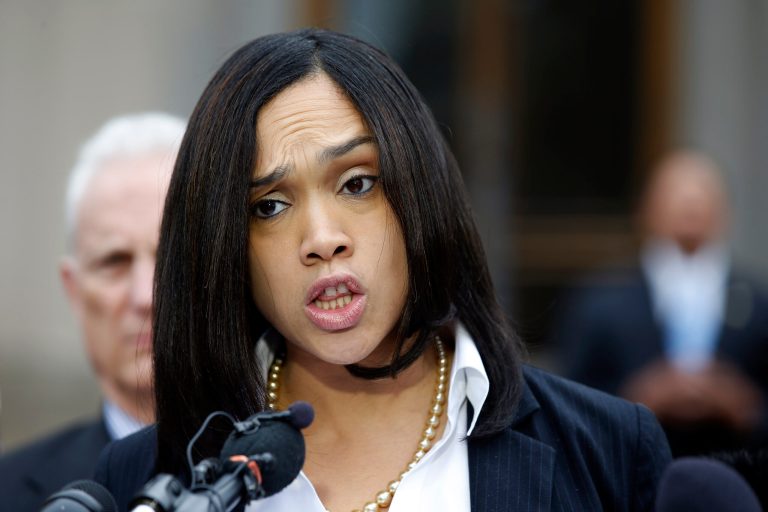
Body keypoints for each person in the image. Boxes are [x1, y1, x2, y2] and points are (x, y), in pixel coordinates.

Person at [96, 29, 671, 511]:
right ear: (224, 248)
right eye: (269, 206)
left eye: (357, 184)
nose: (323, 240)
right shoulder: (143, 481)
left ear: (419, 193)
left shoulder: (610, 451)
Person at [0, 112, 185, 510]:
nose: (145, 296)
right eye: (115, 261)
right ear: (74, 290)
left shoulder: (318, 478)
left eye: (172, 255)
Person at [554, 150, 768, 457]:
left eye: (702, 193)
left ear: (726, 212)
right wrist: (636, 399)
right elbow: (568, 402)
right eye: (677, 193)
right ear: (645, 210)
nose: (691, 204)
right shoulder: (600, 301)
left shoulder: (759, 304)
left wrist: (742, 403)